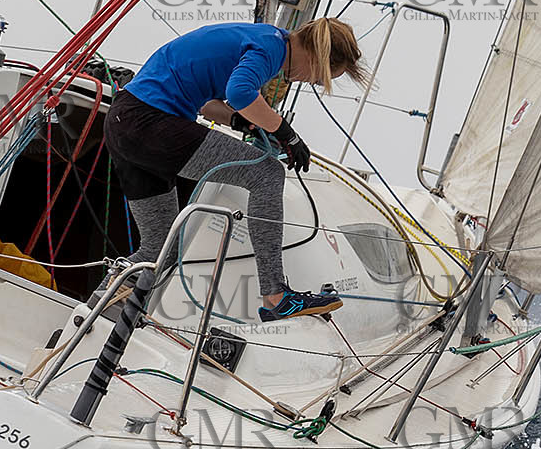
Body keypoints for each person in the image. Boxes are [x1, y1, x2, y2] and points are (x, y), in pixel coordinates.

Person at [105, 18, 370, 322]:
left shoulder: (260, 38)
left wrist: (240, 121)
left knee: (159, 246)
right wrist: (287, 134)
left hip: (123, 122)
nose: (308, 81)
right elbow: (242, 92)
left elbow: (206, 103)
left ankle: (94, 315)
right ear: (315, 55)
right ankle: (276, 295)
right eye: (318, 77)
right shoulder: (271, 47)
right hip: (150, 122)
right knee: (267, 173)